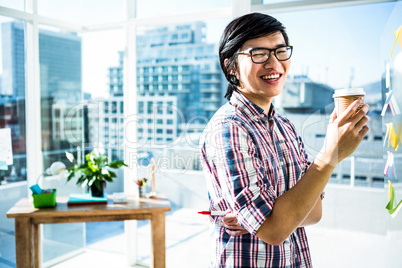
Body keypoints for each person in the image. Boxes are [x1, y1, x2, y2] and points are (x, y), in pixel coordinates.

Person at [199, 12, 369, 267]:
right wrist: (329, 155)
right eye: (259, 54)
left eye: (280, 51)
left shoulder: (285, 127)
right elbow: (275, 230)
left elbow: (314, 213)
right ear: (231, 66)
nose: (274, 63)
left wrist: (263, 220)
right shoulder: (228, 129)